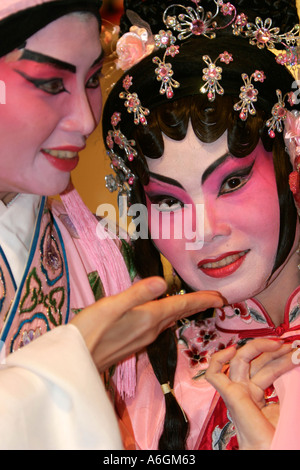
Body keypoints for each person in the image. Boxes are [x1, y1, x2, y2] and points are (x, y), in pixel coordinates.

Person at [0, 0, 226, 450]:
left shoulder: (92, 249)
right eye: (49, 83)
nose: (86, 120)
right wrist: (71, 366)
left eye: (90, 82)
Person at [102, 0, 300, 450]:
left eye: (232, 181)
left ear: (293, 158)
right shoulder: (139, 371)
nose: (203, 229)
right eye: (168, 201)